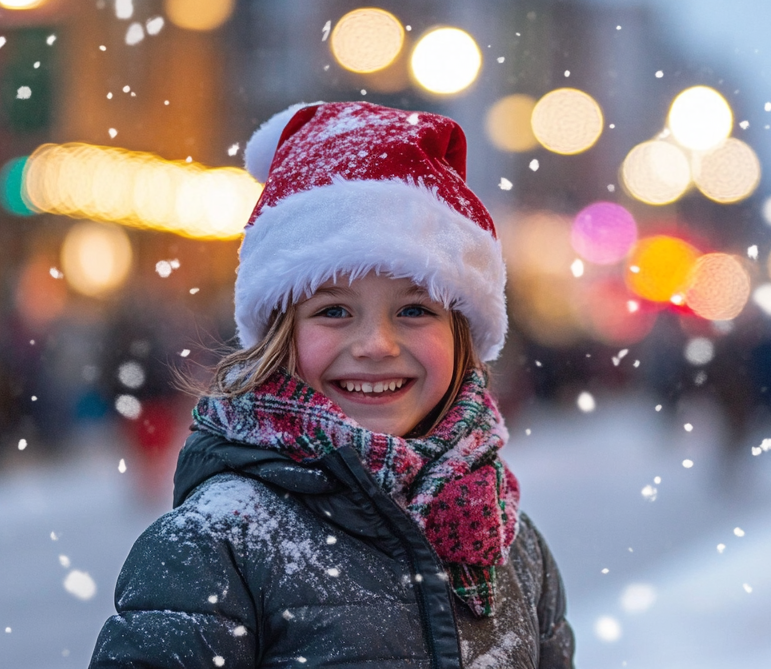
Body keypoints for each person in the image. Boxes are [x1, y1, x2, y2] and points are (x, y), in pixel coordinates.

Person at [90, 102, 574, 668]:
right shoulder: (215, 546)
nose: (376, 345)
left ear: (463, 334)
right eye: (335, 311)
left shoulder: (508, 542)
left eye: (414, 310)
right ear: (280, 334)